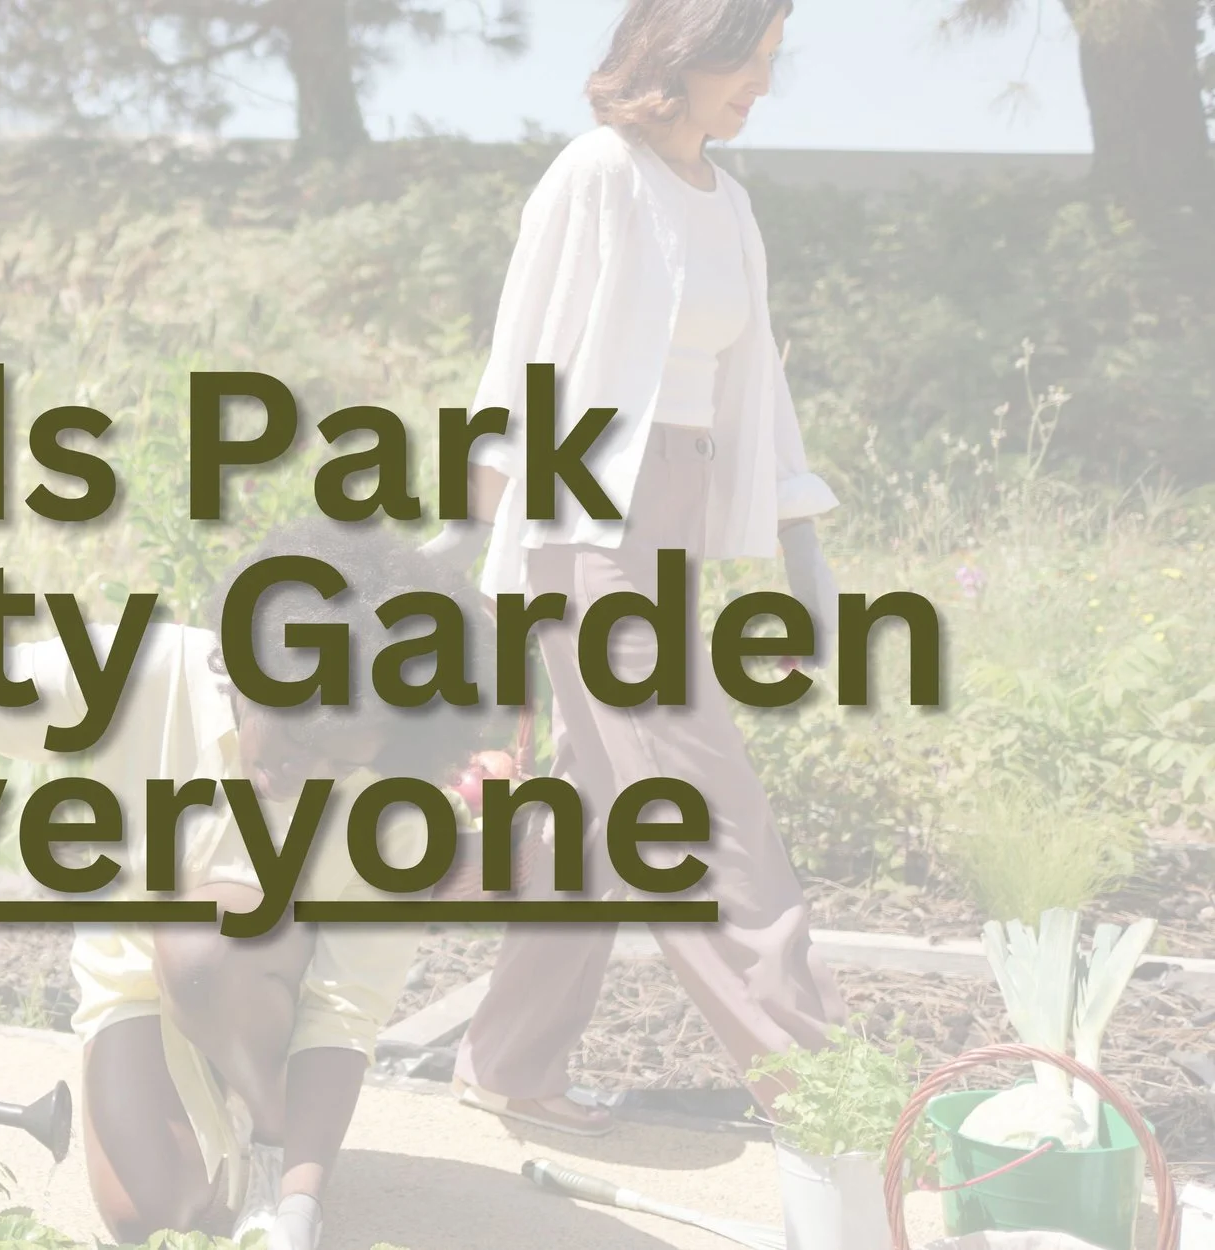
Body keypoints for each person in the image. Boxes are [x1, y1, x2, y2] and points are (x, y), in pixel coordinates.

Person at [422, 0, 849, 1137]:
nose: (759, 84)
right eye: (742, 61)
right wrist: (471, 555)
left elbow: (761, 386)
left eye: (768, 63)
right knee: (702, 803)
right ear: (683, 53)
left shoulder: (731, 205)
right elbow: (520, 364)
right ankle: (833, 1092)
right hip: (586, 528)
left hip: (671, 524)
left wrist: (804, 555)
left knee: (604, 815)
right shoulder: (595, 174)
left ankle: (507, 1061)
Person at [0, 521, 498, 1249]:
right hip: (135, 982)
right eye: (291, 739)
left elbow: (343, 1014)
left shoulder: (394, 810)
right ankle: (223, 1103)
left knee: (203, 947)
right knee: (154, 1219)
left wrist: (298, 1199)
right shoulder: (138, 674)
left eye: (337, 760)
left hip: (264, 987)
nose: (302, 771)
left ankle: (266, 1129)